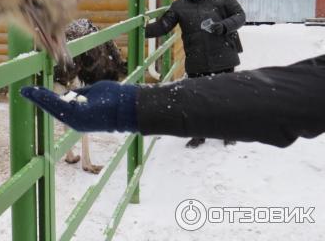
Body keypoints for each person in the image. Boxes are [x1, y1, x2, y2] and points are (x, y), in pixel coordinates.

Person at [20, 54, 325, 148]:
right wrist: (134, 102)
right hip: (204, 79)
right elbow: (290, 92)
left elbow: (291, 95)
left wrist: (128, 106)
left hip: (219, 60)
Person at [145, 0, 246, 148]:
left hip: (223, 55)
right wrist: (141, 30)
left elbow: (240, 15)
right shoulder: (179, 6)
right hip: (197, 59)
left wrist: (223, 26)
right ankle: (199, 134)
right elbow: (164, 26)